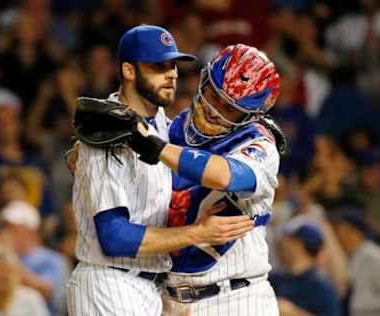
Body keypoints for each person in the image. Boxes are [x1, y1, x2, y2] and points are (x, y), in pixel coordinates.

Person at [66, 25, 255, 316]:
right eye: (158, 66)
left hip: (148, 286)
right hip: (109, 282)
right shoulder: (105, 131)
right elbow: (114, 236)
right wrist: (196, 232)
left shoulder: (164, 129)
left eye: (173, 64)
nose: (172, 74)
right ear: (129, 71)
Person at [128, 44, 283, 315]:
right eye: (214, 95)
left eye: (230, 108)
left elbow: (226, 175)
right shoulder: (173, 128)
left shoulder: (260, 144)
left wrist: (159, 149)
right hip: (170, 298)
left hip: (236, 298)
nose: (215, 109)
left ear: (250, 116)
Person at [331, 209, 380, 316]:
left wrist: (359, 302)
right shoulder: (350, 256)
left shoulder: (376, 256)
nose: (335, 232)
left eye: (339, 228)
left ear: (355, 231)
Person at [270, 223, 341, 316]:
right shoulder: (276, 279)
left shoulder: (320, 286)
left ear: (298, 244)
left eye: (288, 240)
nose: (281, 245)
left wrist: (293, 313)